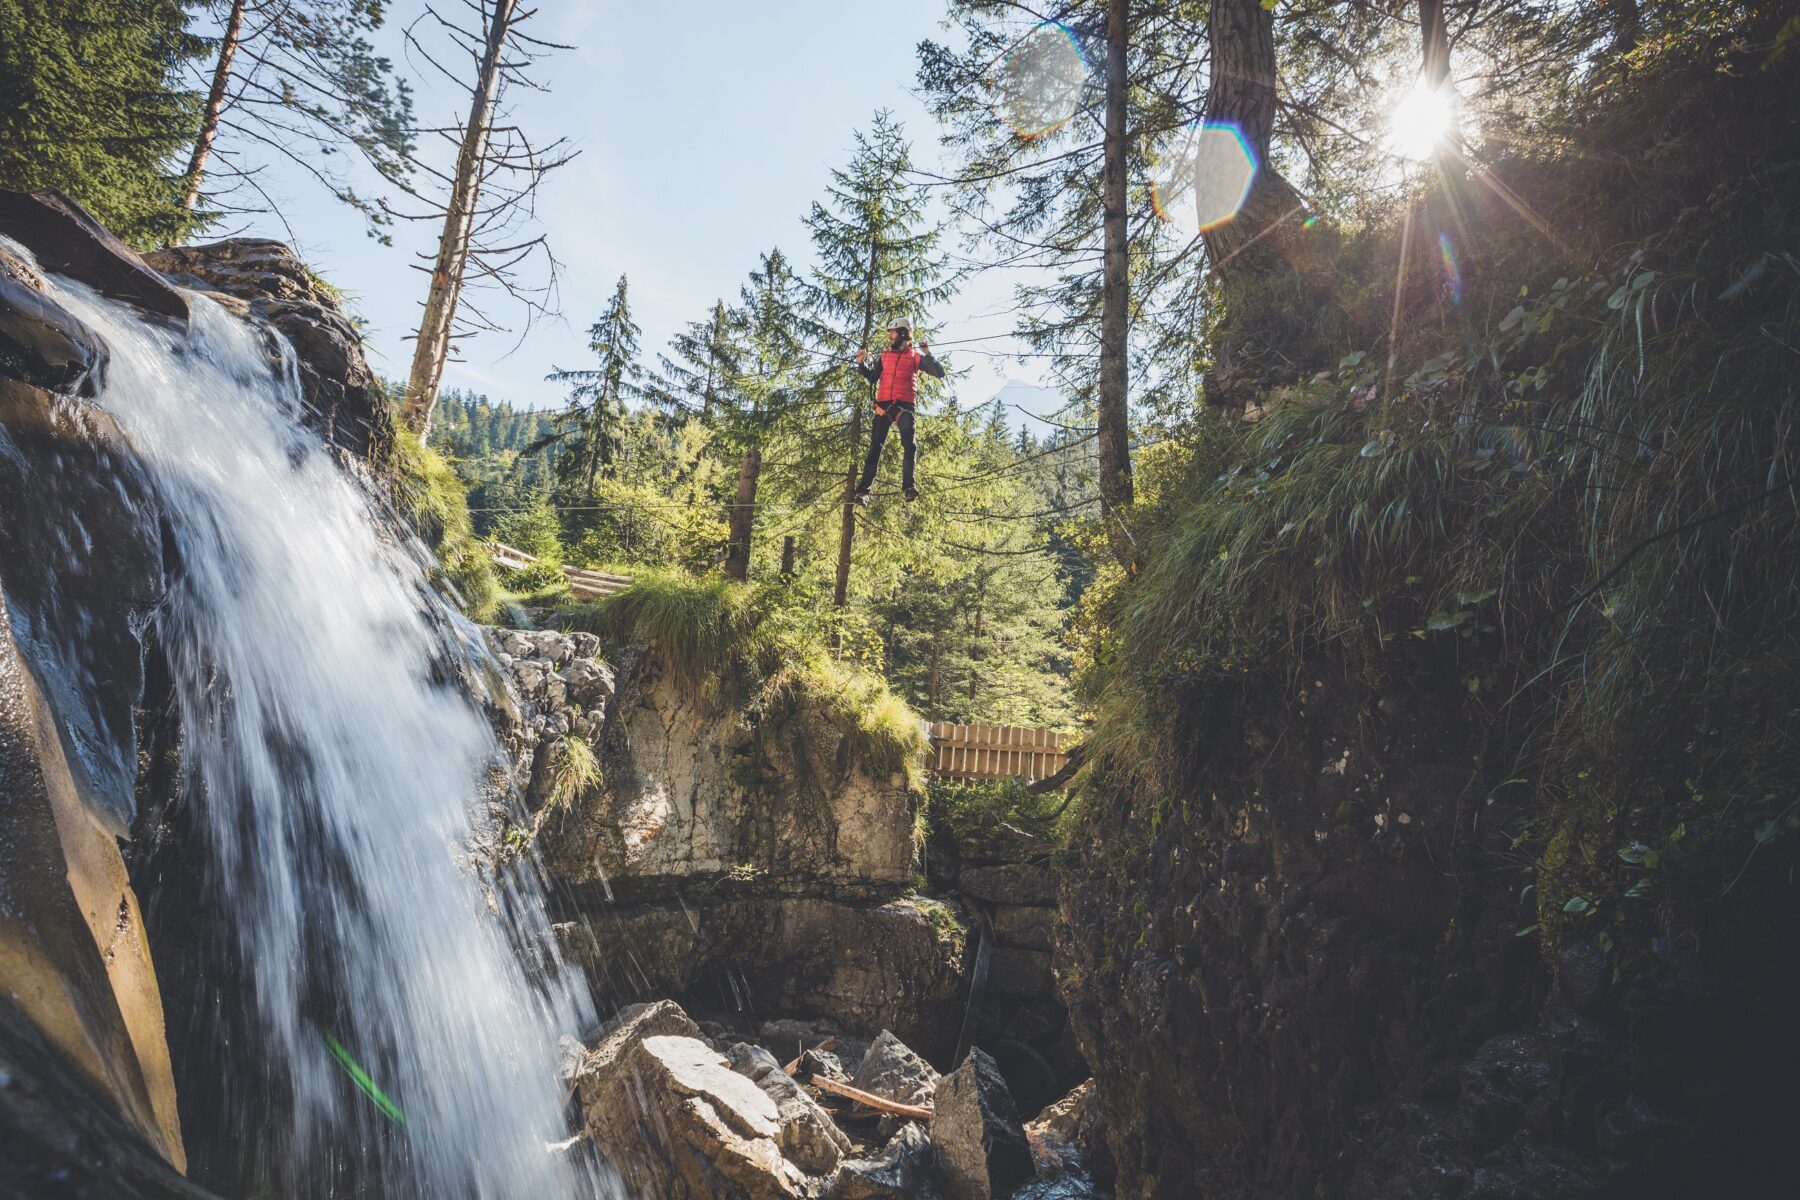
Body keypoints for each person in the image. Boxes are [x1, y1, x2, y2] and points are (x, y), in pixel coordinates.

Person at [853, 318, 944, 504]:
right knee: (874, 448)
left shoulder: (916, 357)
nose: (889, 336)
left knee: (909, 445)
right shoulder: (885, 356)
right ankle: (863, 493)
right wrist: (861, 364)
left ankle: (909, 487)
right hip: (883, 407)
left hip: (904, 407)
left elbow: (939, 372)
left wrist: (927, 353)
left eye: (892, 332)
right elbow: (872, 377)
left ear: (902, 333)